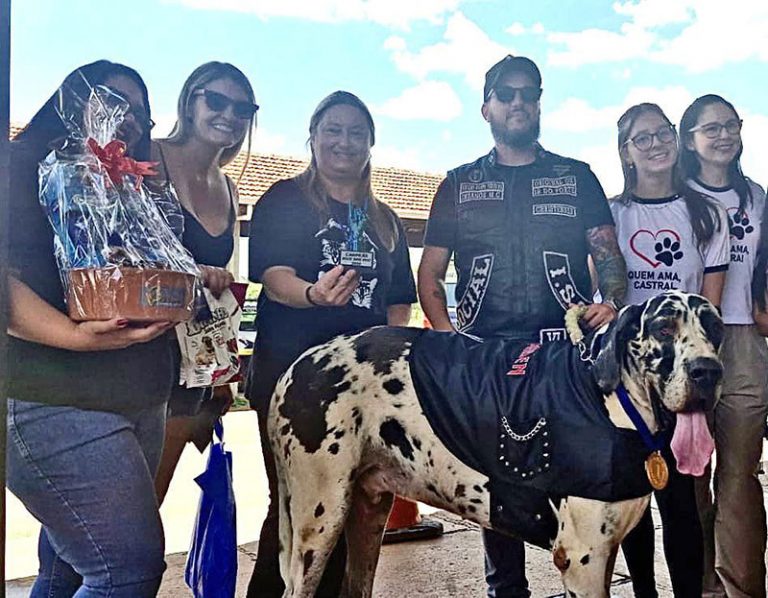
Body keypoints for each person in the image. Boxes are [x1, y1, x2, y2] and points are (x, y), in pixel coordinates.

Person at [418, 54, 626, 598]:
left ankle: (581, 579)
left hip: (564, 354)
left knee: (577, 469)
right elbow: (430, 273)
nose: (518, 102)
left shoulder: (576, 176)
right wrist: (447, 339)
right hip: (485, 355)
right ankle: (505, 589)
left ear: (538, 103)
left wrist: (612, 302)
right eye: (506, 94)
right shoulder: (458, 183)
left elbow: (610, 259)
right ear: (485, 107)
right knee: (497, 475)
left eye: (528, 93)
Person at [6, 61, 175, 597]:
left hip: (138, 398)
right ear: (71, 98)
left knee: (69, 570)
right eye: (110, 100)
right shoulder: (18, 167)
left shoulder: (133, 185)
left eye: (141, 111)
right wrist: (76, 335)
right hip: (55, 397)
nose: (127, 117)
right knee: (126, 570)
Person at [244, 91, 421, 597]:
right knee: (297, 509)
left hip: (365, 392)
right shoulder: (284, 199)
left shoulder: (385, 219)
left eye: (356, 132)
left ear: (371, 143)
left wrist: (389, 357)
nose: (345, 142)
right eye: (333, 130)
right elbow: (274, 276)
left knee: (355, 508)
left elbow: (398, 302)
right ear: (313, 137)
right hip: (295, 381)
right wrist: (313, 294)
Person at [611, 102, 729, 598]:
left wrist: (699, 366)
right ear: (626, 152)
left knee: (683, 504)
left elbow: (710, 308)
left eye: (663, 133)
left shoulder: (707, 214)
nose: (656, 144)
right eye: (642, 138)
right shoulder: (611, 216)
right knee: (633, 503)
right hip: (631, 377)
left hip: (684, 370)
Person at [150, 61, 258, 504]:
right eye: (216, 100)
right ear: (189, 102)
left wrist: (222, 370)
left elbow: (220, 290)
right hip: (132, 353)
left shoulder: (230, 188)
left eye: (243, 108)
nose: (229, 114)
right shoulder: (149, 158)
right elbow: (110, 249)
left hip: (189, 363)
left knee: (149, 502)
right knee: (109, 513)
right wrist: (190, 273)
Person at [679, 95, 768, 598]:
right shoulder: (676, 196)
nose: (723, 135)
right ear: (689, 140)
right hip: (690, 344)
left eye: (731, 125)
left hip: (744, 339)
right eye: (710, 128)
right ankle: (702, 584)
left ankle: (744, 588)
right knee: (691, 471)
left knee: (739, 473)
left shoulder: (757, 196)